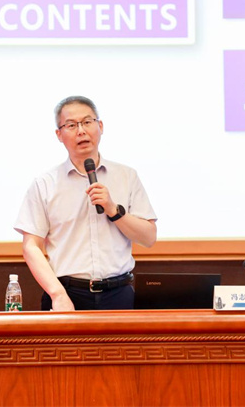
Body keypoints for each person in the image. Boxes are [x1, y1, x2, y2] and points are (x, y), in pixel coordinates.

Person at [14, 95, 157, 311]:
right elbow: (31, 246)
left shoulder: (127, 176)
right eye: (71, 125)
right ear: (59, 134)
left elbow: (148, 237)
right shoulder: (45, 184)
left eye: (87, 122)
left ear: (100, 126)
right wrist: (58, 295)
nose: (81, 131)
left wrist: (114, 210)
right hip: (67, 295)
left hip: (119, 295)